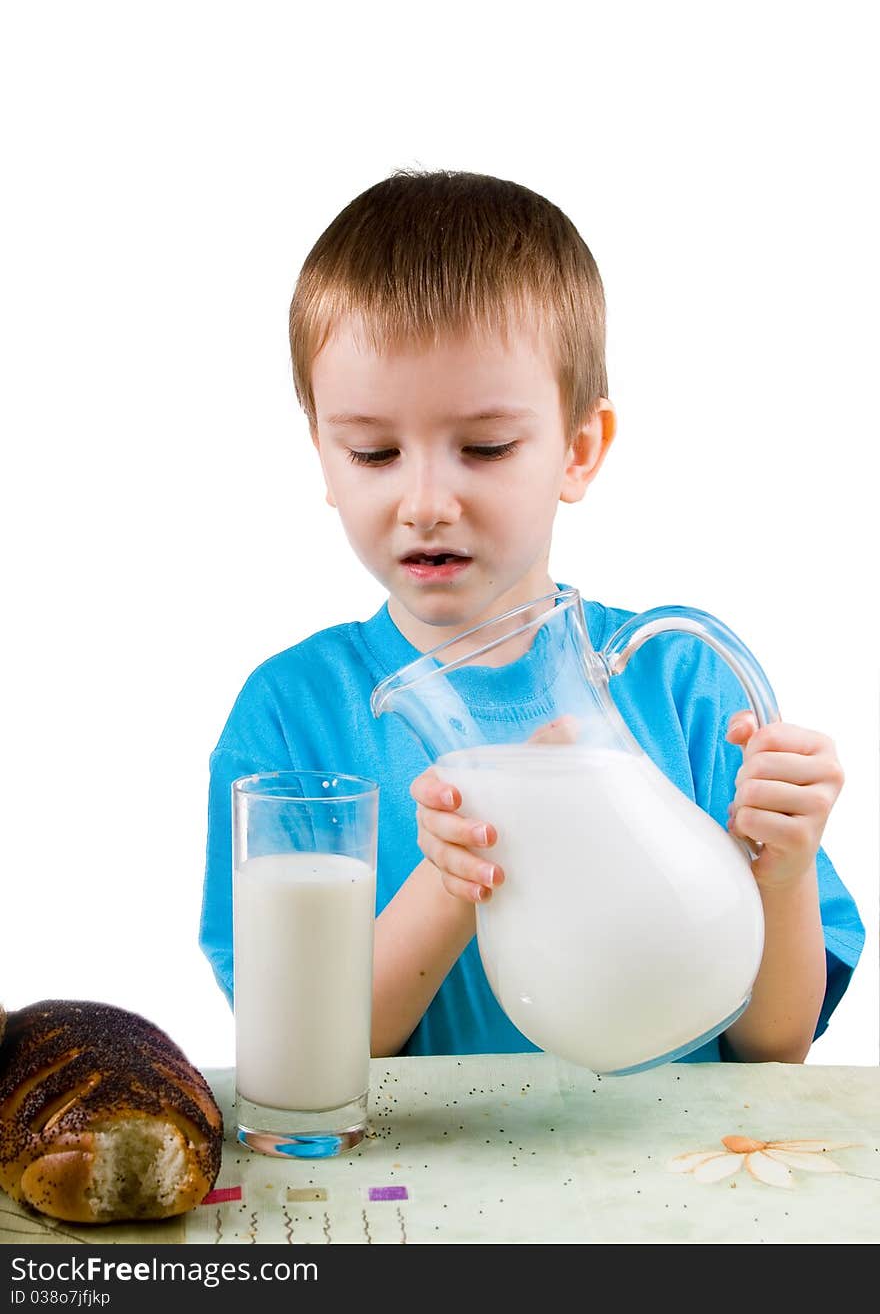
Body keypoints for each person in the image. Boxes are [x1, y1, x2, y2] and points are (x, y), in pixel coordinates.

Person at [199, 169, 864, 1063]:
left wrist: (782, 874)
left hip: (679, 1188)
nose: (425, 500)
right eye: (373, 451)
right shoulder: (291, 716)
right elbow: (306, 1050)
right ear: (323, 453)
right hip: (418, 1199)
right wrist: (449, 884)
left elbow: (770, 1048)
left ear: (578, 450)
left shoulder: (684, 690)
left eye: (484, 447)